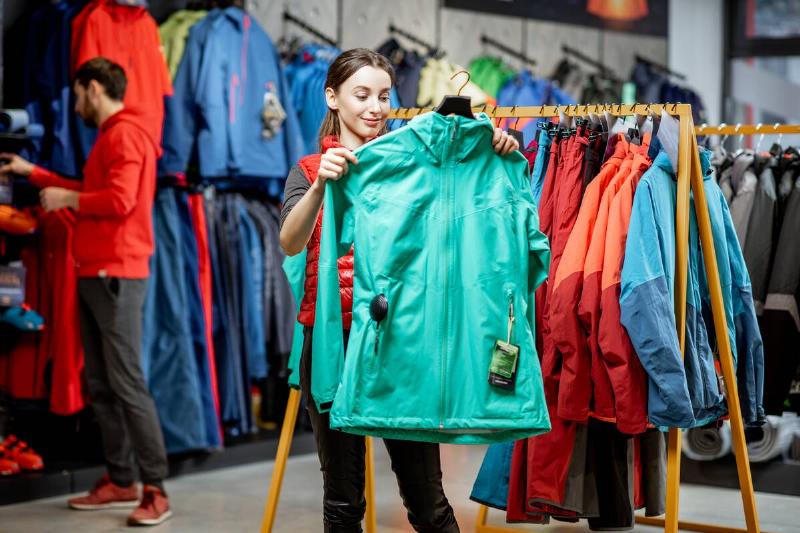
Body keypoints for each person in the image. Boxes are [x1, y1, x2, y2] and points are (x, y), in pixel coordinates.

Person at [279, 48, 519, 533]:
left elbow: (463, 202)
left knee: (426, 497)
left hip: (402, 343)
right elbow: (290, 241)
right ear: (333, 97)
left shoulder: (419, 164)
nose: (375, 107)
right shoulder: (310, 169)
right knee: (342, 500)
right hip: (334, 344)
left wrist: (493, 151)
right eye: (362, 94)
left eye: (384, 96)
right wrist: (323, 186)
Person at [0, 57, 171, 527]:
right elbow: (92, 188)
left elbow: (120, 201)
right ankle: (121, 479)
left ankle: (155, 488)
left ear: (93, 89)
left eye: (77, 95)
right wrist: (33, 173)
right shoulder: (113, 137)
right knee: (103, 383)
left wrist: (68, 199)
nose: (76, 104)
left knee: (127, 382)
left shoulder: (126, 134)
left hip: (117, 272)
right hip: (96, 271)